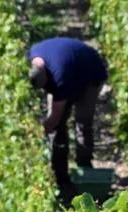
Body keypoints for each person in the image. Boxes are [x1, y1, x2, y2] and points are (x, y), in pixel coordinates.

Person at [27, 37, 108, 197]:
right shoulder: (32, 55)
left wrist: (37, 135)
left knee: (82, 123)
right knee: (59, 128)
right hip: (70, 66)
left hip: (90, 75)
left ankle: (84, 168)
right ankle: (60, 175)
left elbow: (54, 119)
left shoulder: (59, 76)